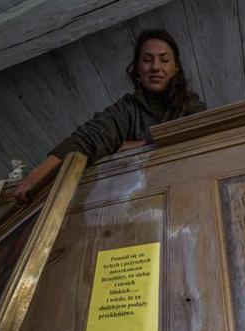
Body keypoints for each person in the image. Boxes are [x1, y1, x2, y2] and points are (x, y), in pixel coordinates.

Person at [14, 28, 206, 204]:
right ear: (137, 69)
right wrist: (36, 177)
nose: (155, 67)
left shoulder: (190, 104)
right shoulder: (126, 109)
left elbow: (202, 133)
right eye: (147, 59)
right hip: (140, 202)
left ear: (176, 67)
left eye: (164, 59)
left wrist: (143, 144)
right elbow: (87, 139)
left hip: (189, 193)